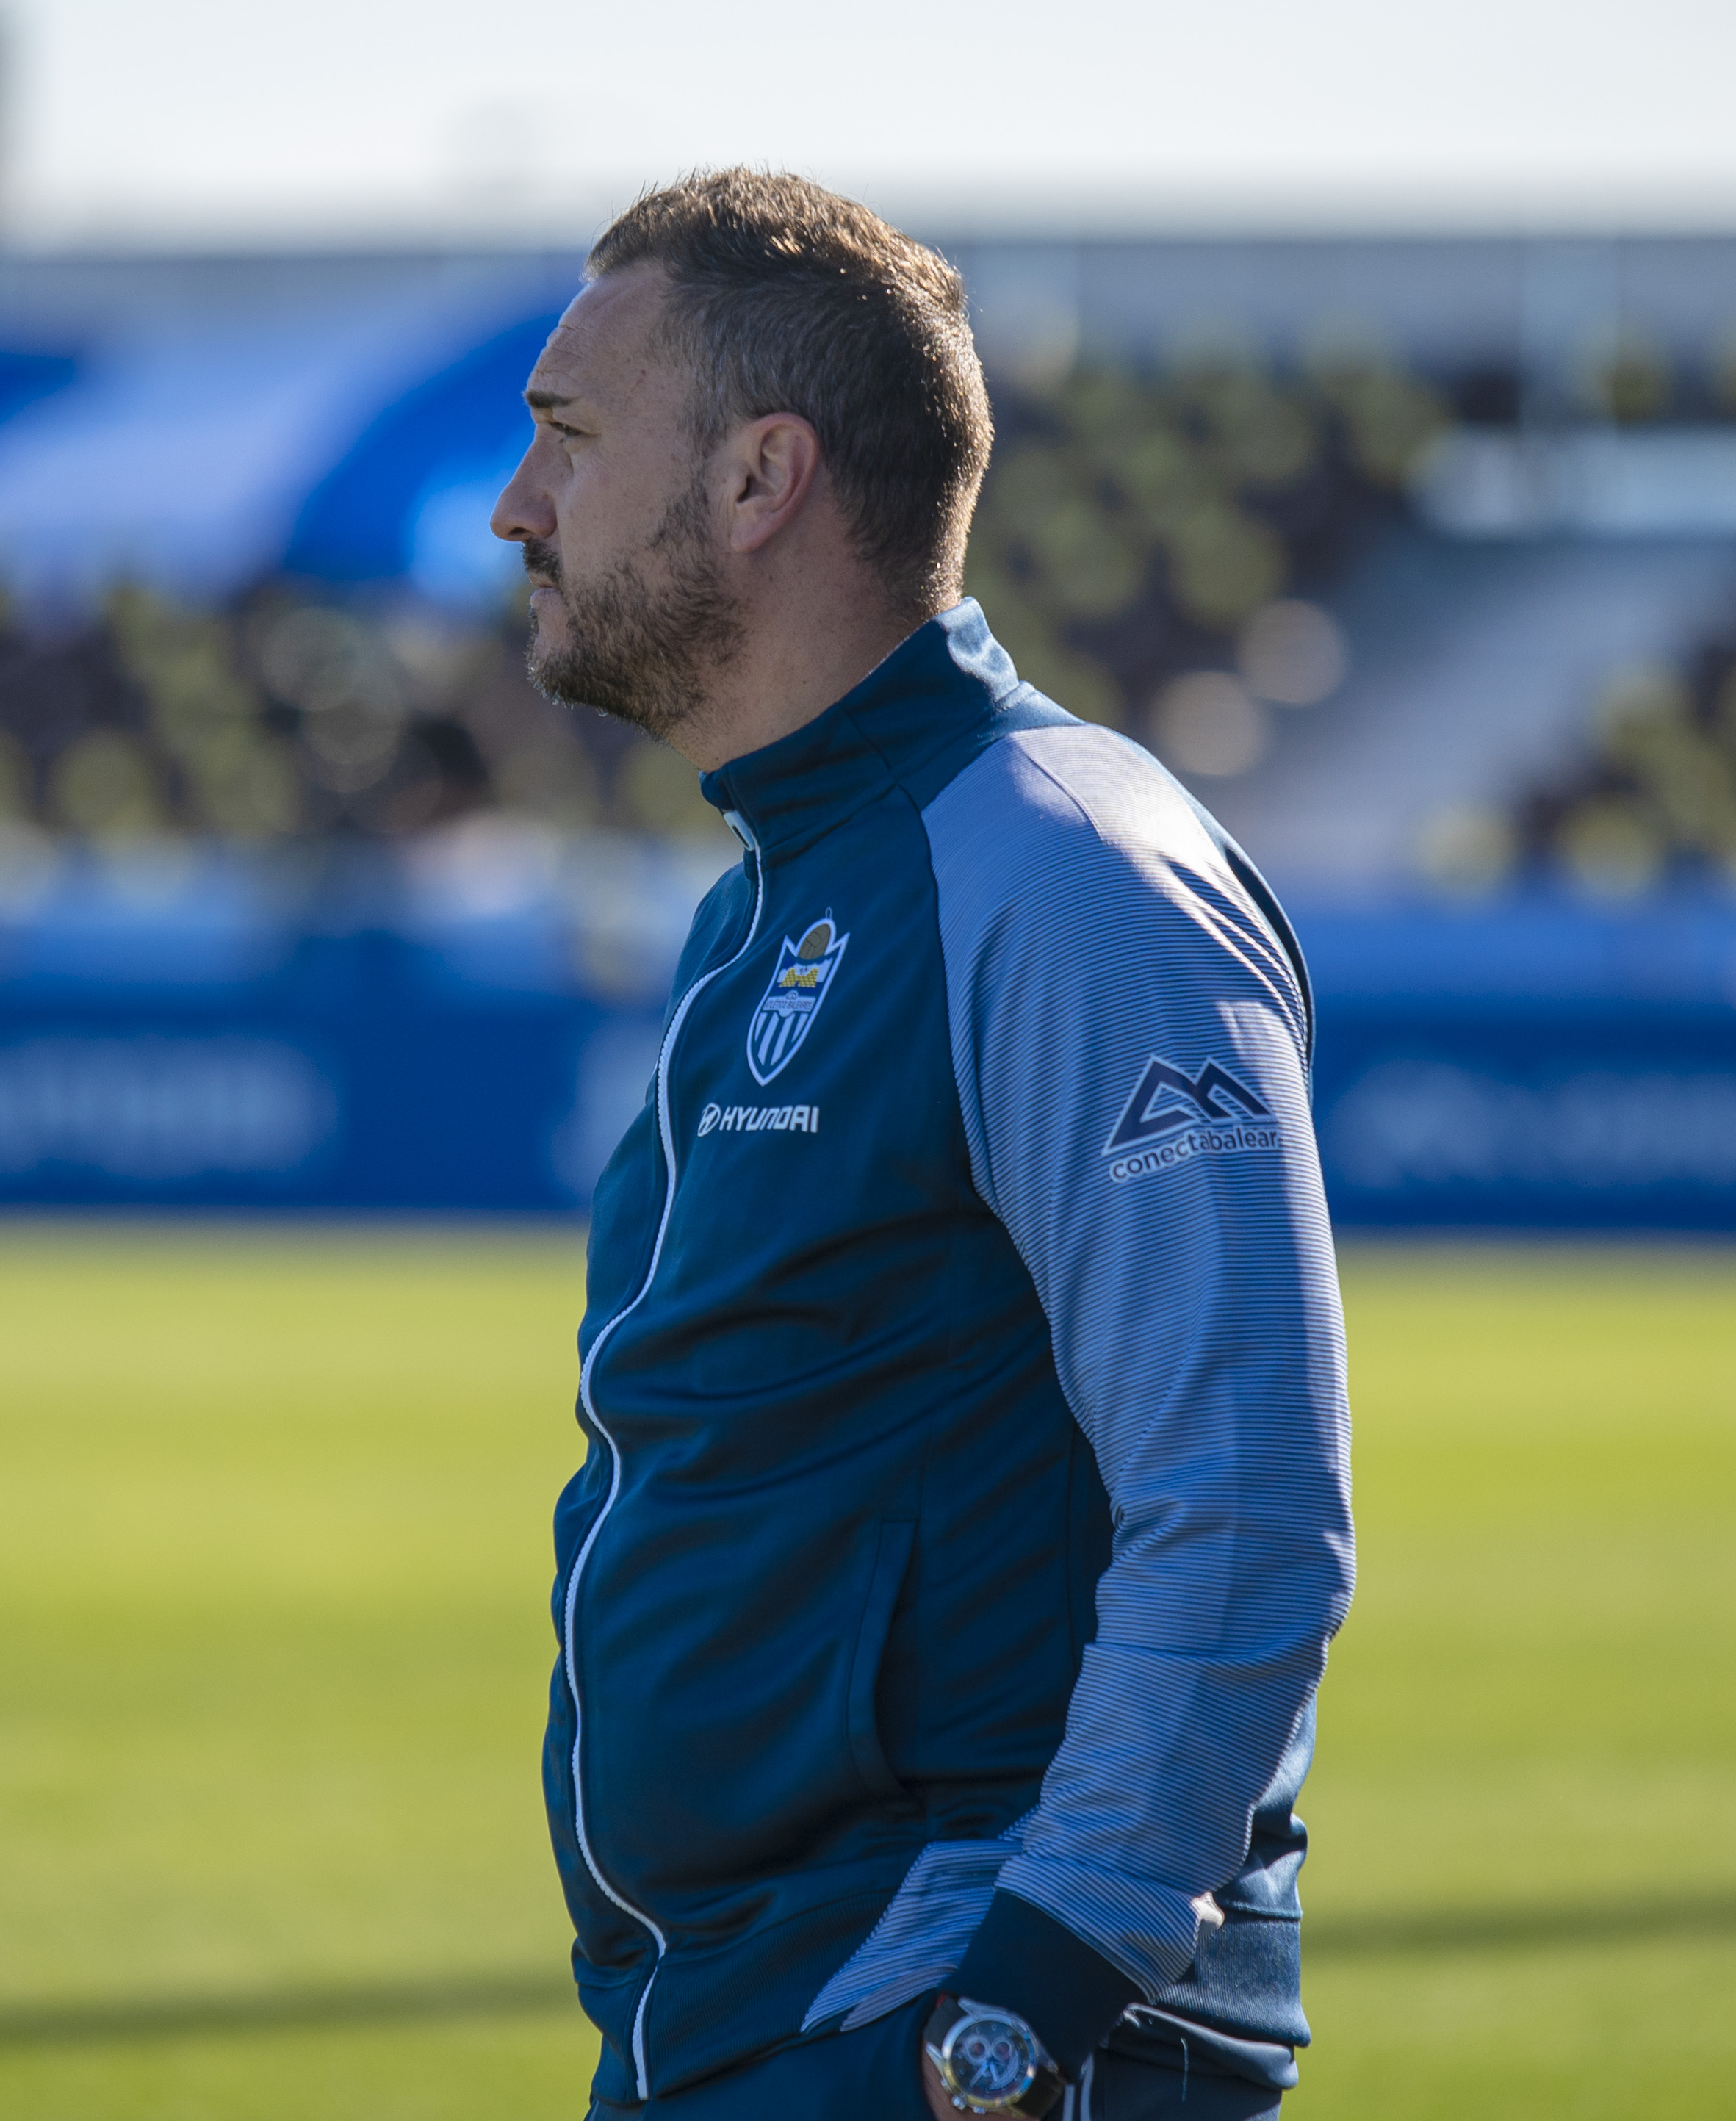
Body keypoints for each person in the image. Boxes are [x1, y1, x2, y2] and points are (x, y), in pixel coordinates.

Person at [491, 170, 1353, 2121]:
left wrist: (1029, 2001)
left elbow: (1244, 1493)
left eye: (568, 436)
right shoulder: (781, 886)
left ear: (759, 477)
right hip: (756, 2016)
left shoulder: (1067, 869)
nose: (516, 506)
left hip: (959, 2024)